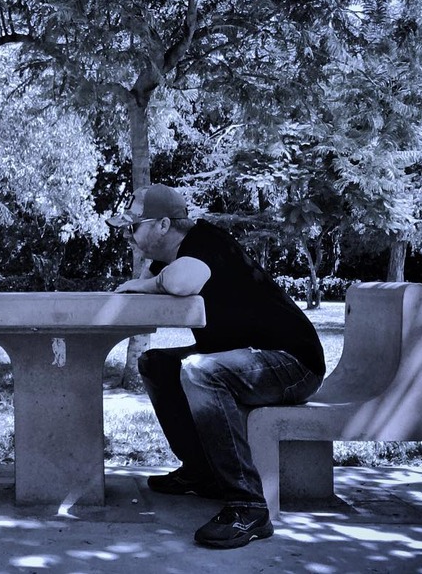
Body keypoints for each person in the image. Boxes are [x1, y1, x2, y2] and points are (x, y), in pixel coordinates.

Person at [107, 184, 325, 549]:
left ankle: (248, 506)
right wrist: (147, 280)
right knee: (156, 364)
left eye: (134, 225)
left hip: (292, 363)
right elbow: (163, 282)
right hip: (250, 359)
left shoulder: (206, 241)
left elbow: (180, 282)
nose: (128, 234)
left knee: (198, 371)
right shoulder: (171, 257)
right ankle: (201, 472)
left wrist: (141, 284)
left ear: (162, 224)